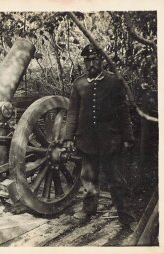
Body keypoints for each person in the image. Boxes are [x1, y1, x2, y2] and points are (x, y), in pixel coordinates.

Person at [64, 44, 136, 229]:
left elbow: (124, 112)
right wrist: (68, 138)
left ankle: (126, 216)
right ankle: (88, 209)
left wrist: (128, 137)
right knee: (88, 178)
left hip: (110, 140)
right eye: (87, 60)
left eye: (94, 59)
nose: (91, 64)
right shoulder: (78, 84)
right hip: (86, 139)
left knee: (116, 180)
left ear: (101, 60)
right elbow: (72, 113)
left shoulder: (114, 82)